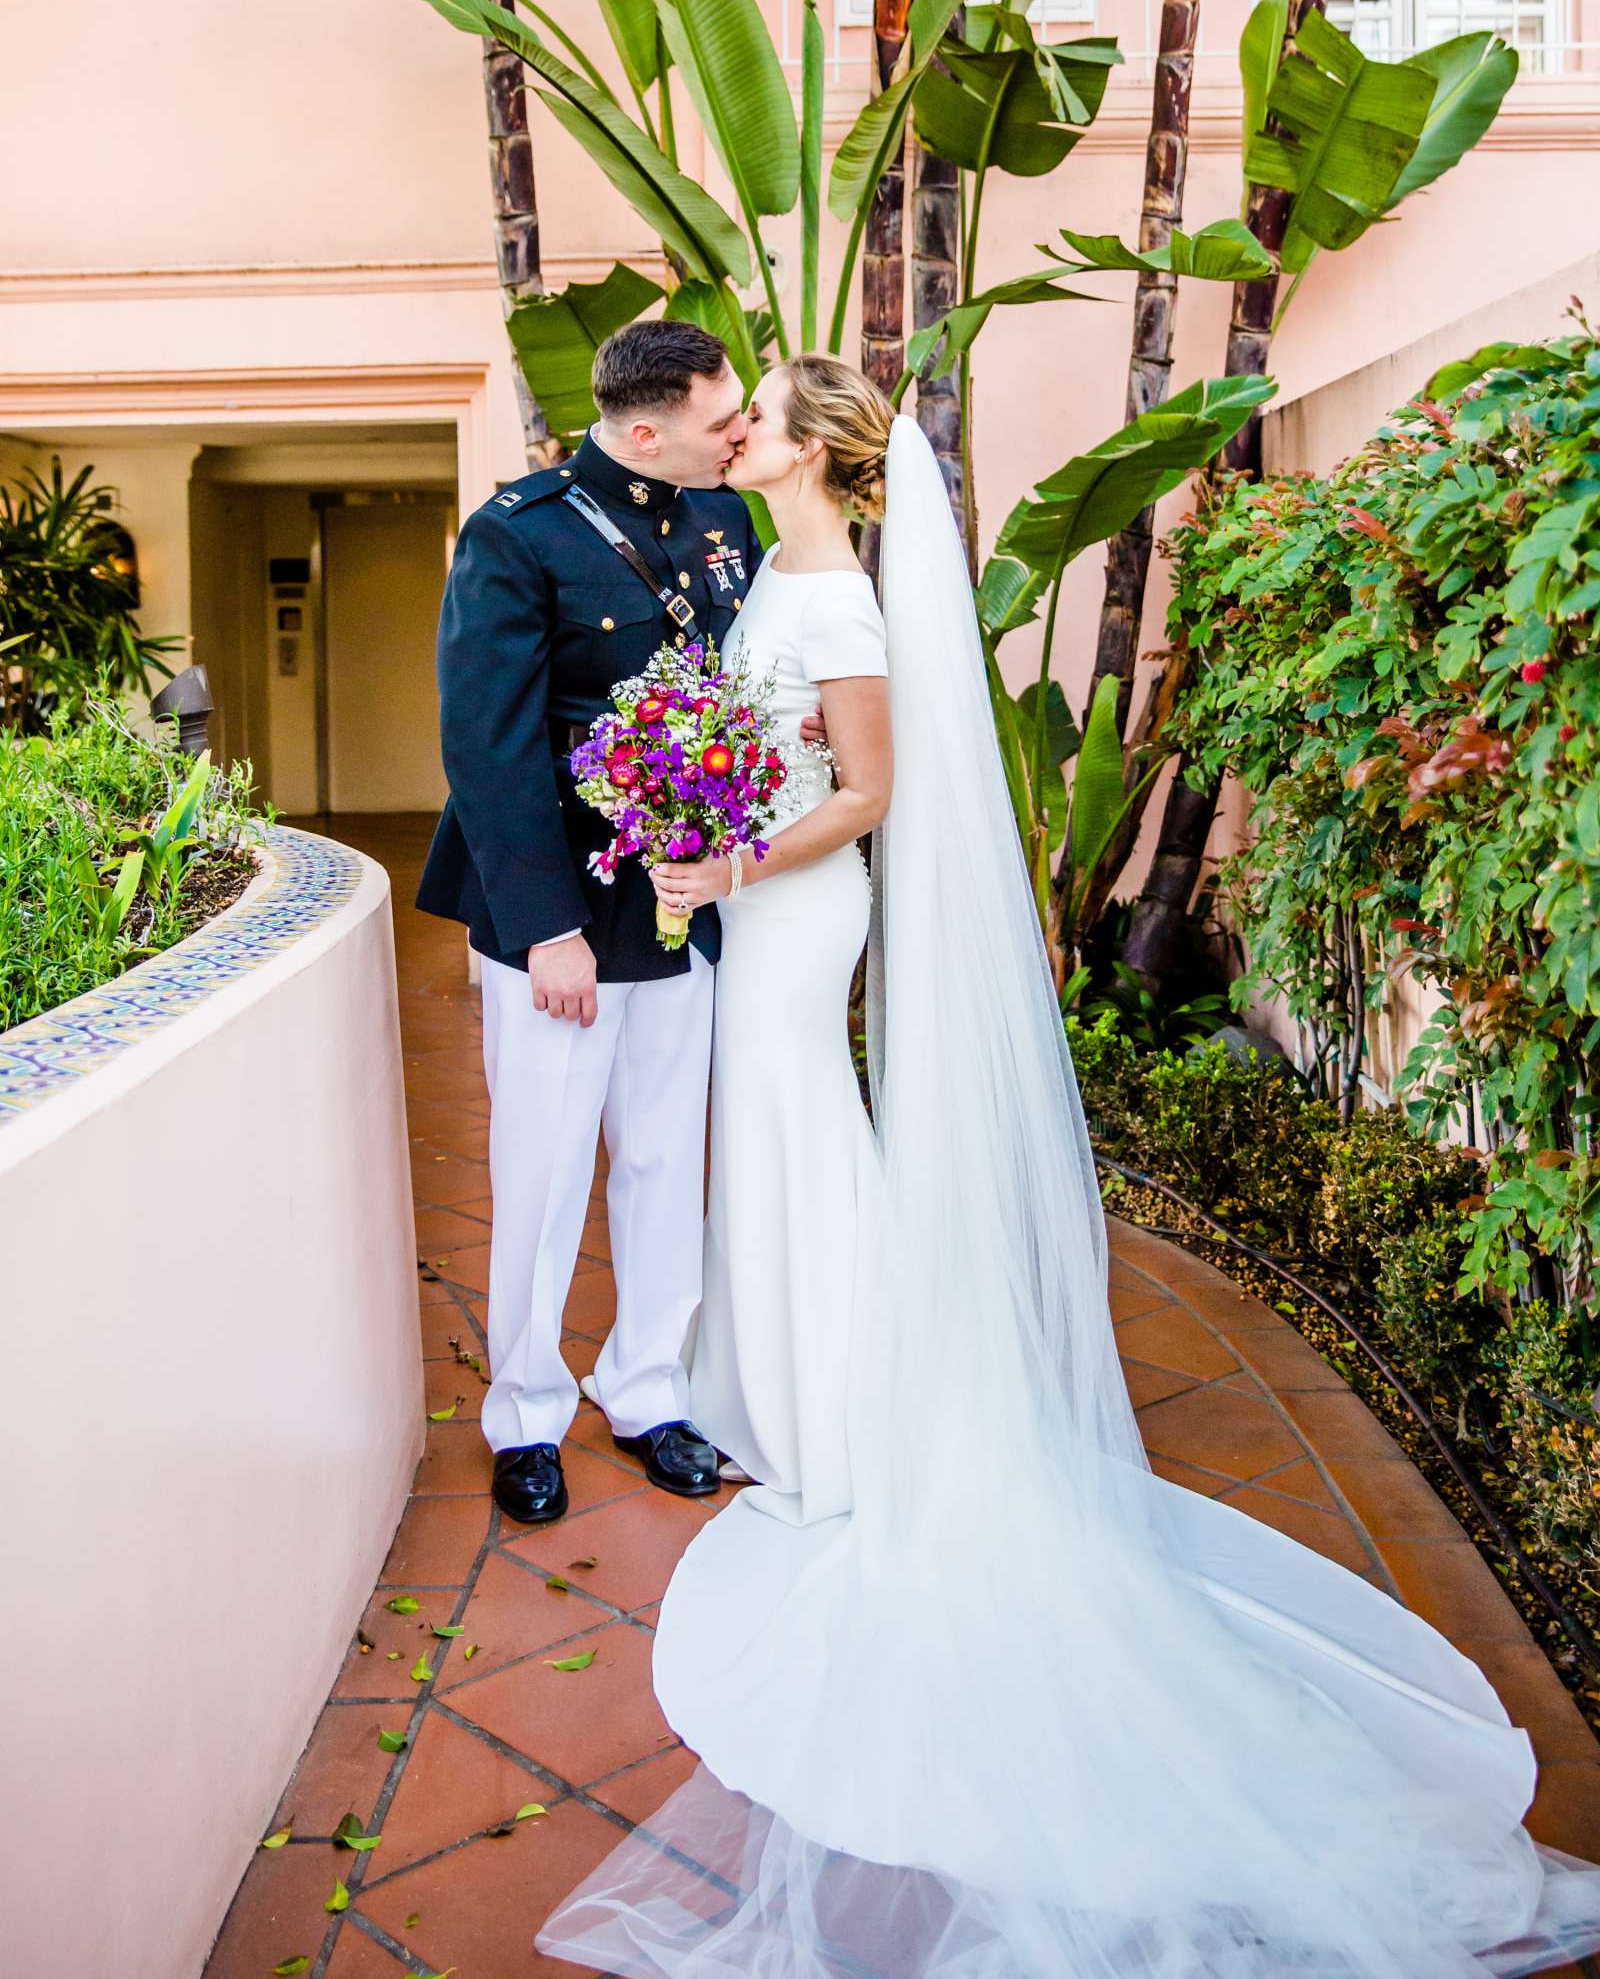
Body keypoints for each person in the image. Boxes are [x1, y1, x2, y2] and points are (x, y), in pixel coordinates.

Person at [537, 357, 1600, 1979]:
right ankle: (805, 1399)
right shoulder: (783, 576)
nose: (732, 427)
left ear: (819, 447)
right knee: (775, 1142)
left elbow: (872, 792)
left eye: (756, 413)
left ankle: (846, 1420)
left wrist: (733, 850)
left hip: (795, 912)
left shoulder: (831, 602)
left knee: (800, 1125)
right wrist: (695, 803)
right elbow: (778, 755)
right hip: (757, 904)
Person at [416, 320, 766, 1525]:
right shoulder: (519, 534)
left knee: (667, 1162)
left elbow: (731, 694)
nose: (743, 436)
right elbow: (489, 744)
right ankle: (524, 1409)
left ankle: (648, 1391)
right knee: (547, 1167)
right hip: (557, 911)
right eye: (726, 419)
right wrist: (545, 929)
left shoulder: (725, 520)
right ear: (644, 427)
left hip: (680, 899)